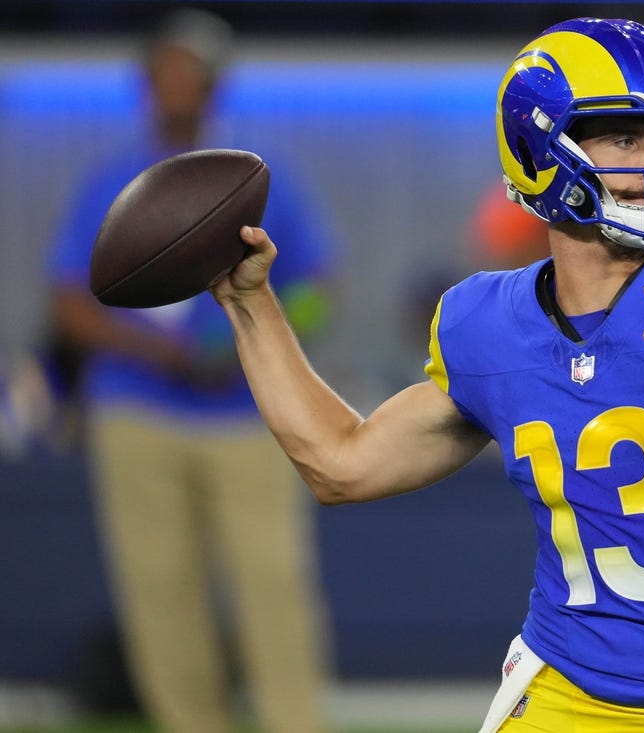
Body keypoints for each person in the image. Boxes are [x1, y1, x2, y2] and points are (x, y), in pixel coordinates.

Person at [212, 17, 644, 732]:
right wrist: (249, 301)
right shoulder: (487, 321)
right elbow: (340, 464)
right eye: (625, 137)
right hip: (561, 695)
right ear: (538, 148)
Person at [46, 8, 332, 733]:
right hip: (136, 408)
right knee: (159, 591)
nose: (178, 86)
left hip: (246, 410)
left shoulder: (259, 178)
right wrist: (164, 353)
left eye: (192, 73)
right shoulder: (113, 181)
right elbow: (68, 304)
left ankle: (294, 722)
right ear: (146, 84)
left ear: (214, 85)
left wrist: (249, 333)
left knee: (273, 583)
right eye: (166, 71)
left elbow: (316, 288)